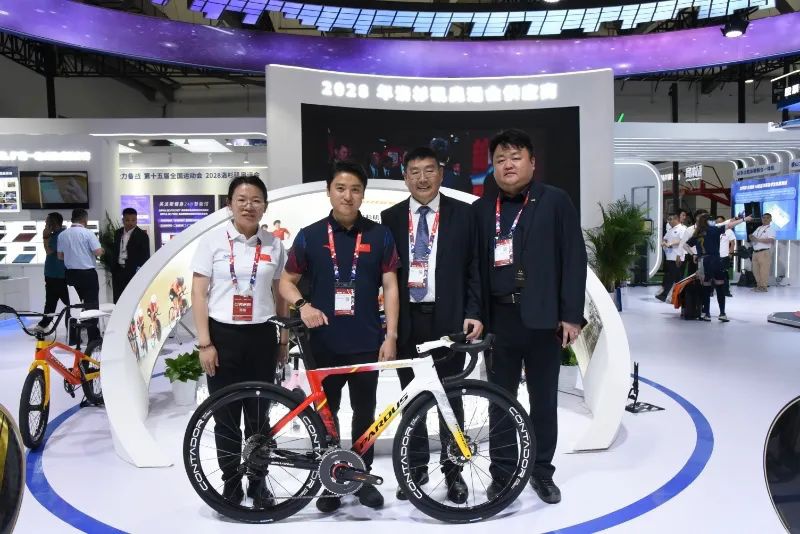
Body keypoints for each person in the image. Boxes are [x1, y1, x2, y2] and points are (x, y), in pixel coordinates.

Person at [279, 160, 400, 513]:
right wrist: (303, 305)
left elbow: (391, 286)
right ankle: (330, 481)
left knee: (365, 413)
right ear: (329, 191)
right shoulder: (310, 235)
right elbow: (286, 282)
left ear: (363, 194)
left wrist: (391, 335)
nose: (348, 196)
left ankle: (362, 479)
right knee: (326, 416)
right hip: (324, 343)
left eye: (355, 189)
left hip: (366, 341)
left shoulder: (380, 235)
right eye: (341, 188)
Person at [473, 129, 586, 505]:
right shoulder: (482, 210)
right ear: (493, 167)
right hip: (499, 320)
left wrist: (571, 316)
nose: (508, 165)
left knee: (543, 401)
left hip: (544, 319)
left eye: (515, 157)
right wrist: (476, 315)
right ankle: (503, 472)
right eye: (500, 159)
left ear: (532, 163)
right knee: (499, 401)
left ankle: (541, 471)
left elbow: (573, 259)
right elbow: (474, 269)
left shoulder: (555, 201)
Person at [380, 147, 482, 504]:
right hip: (407, 319)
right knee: (412, 399)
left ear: (441, 173)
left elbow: (474, 268)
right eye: (414, 171)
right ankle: (416, 468)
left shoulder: (463, 214)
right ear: (405, 177)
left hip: (448, 319)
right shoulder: (390, 217)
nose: (422, 178)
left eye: (428, 170)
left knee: (450, 398)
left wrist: (473, 311)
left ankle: (453, 471)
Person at [191, 175, 289, 507]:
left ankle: (258, 482)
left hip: (262, 337)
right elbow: (198, 294)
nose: (249, 206)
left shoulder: (274, 244)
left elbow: (281, 294)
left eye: (256, 200)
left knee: (259, 417)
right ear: (229, 204)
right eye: (242, 200)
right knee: (226, 417)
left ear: (265, 206)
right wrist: (205, 343)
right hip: (223, 338)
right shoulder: (212, 242)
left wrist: (283, 340)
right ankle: (231, 481)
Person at [685, 213, 750, 321]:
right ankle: (722, 313)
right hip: (716, 261)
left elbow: (685, 245)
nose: (714, 222)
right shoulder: (714, 230)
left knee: (706, 289)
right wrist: (744, 219)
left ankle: (707, 314)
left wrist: (694, 255)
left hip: (704, 262)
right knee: (720, 287)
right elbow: (729, 225)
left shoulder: (697, 233)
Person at [57, 208, 104, 342]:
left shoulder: (62, 235)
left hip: (70, 275)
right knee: (91, 305)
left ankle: (73, 337)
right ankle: (93, 338)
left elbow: (60, 256)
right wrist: (102, 250)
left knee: (72, 306)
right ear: (85, 219)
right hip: (88, 274)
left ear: (72, 219)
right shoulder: (88, 233)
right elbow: (97, 252)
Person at [34, 213, 71, 338]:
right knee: (51, 301)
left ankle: (74, 325)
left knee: (68, 302)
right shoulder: (55, 235)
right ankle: (44, 324)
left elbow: (49, 251)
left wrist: (45, 237)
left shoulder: (59, 236)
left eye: (47, 222)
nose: (45, 224)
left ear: (53, 223)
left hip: (58, 275)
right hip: (52, 274)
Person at [111, 207, 150, 303]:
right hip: (118, 271)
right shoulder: (117, 233)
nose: (130, 223)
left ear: (136, 220)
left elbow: (145, 256)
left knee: (132, 299)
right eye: (127, 220)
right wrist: (113, 268)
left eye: (133, 220)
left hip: (133, 272)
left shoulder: (142, 235)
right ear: (123, 220)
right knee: (118, 299)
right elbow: (115, 251)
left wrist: (140, 272)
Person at [656, 213, 687, 302]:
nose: (669, 221)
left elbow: (682, 240)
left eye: (670, 219)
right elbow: (665, 238)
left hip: (677, 257)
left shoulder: (682, 229)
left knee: (671, 277)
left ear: (676, 219)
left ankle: (664, 295)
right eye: (668, 219)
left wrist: (670, 244)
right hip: (670, 257)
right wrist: (664, 242)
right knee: (677, 278)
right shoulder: (671, 229)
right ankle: (678, 298)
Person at [749, 213, 776, 292]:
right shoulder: (759, 228)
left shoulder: (771, 229)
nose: (765, 219)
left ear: (771, 219)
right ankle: (759, 286)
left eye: (767, 218)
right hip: (755, 252)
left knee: (764, 271)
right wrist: (751, 237)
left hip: (764, 252)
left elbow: (771, 240)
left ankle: (764, 287)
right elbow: (752, 236)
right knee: (755, 270)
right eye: (764, 218)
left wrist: (758, 240)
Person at [680, 209, 708, 276]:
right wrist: (693, 254)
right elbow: (684, 244)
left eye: (705, 217)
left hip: (708, 258)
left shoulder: (710, 229)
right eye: (702, 216)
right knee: (693, 278)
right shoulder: (689, 230)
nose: (704, 219)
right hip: (694, 258)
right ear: (696, 217)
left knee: (708, 278)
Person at [716, 215, 736, 298]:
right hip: (714, 256)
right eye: (717, 222)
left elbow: (732, 243)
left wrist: (731, 253)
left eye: (721, 221)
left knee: (724, 274)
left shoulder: (729, 231)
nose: (719, 223)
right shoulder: (714, 230)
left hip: (724, 256)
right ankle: (711, 291)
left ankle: (726, 291)